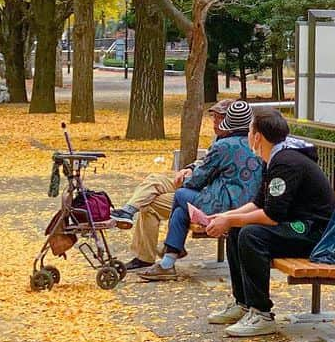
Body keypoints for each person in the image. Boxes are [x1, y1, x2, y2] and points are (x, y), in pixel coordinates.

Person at [204, 110, 335, 339]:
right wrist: (225, 217)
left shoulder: (286, 162)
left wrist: (229, 219)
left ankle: (262, 313)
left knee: (252, 235)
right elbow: (258, 203)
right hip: (298, 225)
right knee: (237, 229)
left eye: (250, 130)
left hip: (315, 233)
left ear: (257, 137)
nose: (247, 135)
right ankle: (243, 303)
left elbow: (271, 216)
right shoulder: (274, 157)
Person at [112, 100, 264, 274]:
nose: (215, 122)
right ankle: (165, 257)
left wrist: (189, 179)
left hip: (221, 201)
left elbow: (199, 179)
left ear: (228, 121)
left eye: (220, 118)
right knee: (160, 187)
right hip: (232, 197)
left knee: (175, 198)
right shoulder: (252, 142)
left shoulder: (225, 145)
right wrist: (190, 169)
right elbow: (207, 164)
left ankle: (166, 254)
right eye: (214, 117)